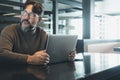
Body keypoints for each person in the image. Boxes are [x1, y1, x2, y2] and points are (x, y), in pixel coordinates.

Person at [0, 0, 75, 65]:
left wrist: (67, 55)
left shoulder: (43, 35)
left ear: (39, 20)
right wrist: (29, 59)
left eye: (32, 15)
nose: (26, 17)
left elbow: (52, 53)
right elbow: (2, 53)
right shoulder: (10, 30)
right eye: (25, 13)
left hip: (36, 74)